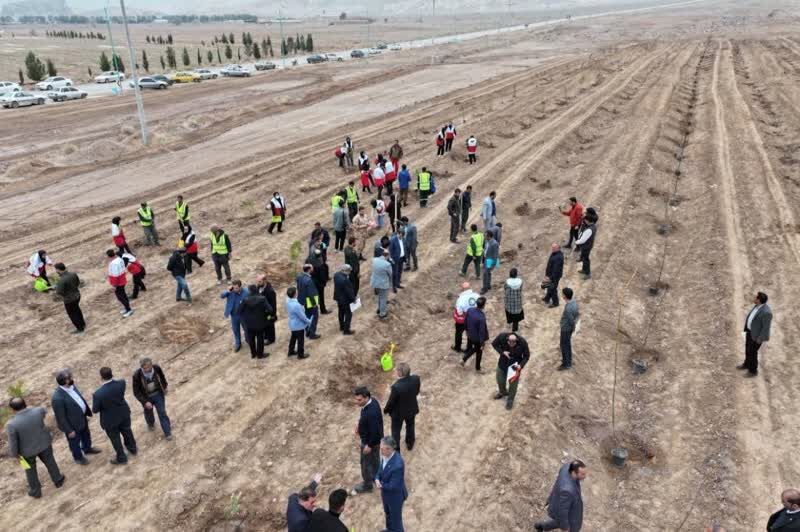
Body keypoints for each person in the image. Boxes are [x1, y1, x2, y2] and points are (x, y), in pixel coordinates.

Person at [5, 398, 65, 498]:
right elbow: (45, 414)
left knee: (30, 471)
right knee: (50, 462)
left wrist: (15, 455)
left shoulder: (11, 424)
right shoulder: (38, 411)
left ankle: (35, 491)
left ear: (12, 409)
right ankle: (58, 480)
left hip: (26, 453)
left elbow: (13, 442)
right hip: (44, 444)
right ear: (25, 403)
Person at [51, 369, 100, 465]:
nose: (72, 379)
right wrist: (69, 430)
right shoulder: (57, 398)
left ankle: (87, 449)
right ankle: (78, 457)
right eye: (69, 378)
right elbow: (60, 417)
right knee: (74, 443)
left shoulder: (72, 386)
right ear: (65, 381)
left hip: (82, 418)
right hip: (72, 425)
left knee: (86, 435)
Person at [92, 367, 137, 465]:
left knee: (115, 439)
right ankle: (133, 448)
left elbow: (95, 410)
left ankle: (122, 457)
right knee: (127, 431)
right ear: (112, 374)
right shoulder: (121, 383)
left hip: (110, 420)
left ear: (101, 377)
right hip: (123, 414)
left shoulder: (98, 394)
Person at [534, 460, 587, 532]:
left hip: (560, 502)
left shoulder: (566, 467)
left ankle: (541, 526)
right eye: (583, 474)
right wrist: (565, 528)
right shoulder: (568, 491)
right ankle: (541, 526)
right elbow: (563, 512)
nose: (585, 476)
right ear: (574, 473)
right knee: (566, 522)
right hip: (569, 512)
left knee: (559, 521)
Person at [353, 386, 384, 494]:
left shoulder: (371, 413)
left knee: (365, 464)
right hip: (375, 441)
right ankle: (377, 477)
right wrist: (360, 424)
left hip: (370, 442)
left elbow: (375, 431)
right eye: (356, 399)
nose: (357, 402)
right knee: (375, 460)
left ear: (366, 398)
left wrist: (368, 446)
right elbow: (365, 418)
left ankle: (367, 485)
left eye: (359, 400)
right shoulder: (372, 402)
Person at [132, 358, 172, 440]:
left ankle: (167, 431)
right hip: (146, 397)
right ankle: (150, 423)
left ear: (151, 365)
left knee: (162, 412)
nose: (147, 369)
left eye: (148, 367)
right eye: (144, 368)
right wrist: (145, 402)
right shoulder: (137, 375)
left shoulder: (156, 368)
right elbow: (136, 392)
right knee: (148, 412)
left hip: (158, 395)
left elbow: (162, 377)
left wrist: (165, 387)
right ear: (141, 367)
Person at [384, 363, 420, 452]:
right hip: (411, 408)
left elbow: (391, 402)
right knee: (410, 426)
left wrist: (386, 410)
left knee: (395, 432)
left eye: (397, 370)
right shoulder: (416, 379)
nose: (396, 372)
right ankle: (410, 443)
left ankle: (396, 451)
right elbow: (416, 391)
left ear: (400, 373)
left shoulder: (396, 387)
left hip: (398, 414)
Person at [375, 436, 408, 532]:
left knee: (396, 521)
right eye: (380, 448)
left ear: (389, 449)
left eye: (382, 449)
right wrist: (377, 477)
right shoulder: (385, 455)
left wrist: (380, 484)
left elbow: (394, 485)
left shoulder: (397, 465)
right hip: (386, 495)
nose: (380, 451)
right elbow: (381, 469)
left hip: (395, 498)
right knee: (388, 514)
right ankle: (390, 529)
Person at [491, 333, 530, 410]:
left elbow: (526, 356)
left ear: (516, 341)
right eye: (509, 343)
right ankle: (502, 392)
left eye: (513, 343)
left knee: (513, 384)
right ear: (507, 340)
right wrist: (502, 352)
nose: (511, 345)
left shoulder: (522, 342)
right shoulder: (502, 337)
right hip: (503, 363)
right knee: (500, 380)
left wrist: (521, 365)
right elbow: (494, 344)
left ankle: (510, 399)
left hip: (514, 366)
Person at [738, 291, 772, 377]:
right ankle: (746, 364)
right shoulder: (756, 306)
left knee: (753, 352)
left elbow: (766, 328)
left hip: (756, 337)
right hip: (749, 332)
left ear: (759, 300)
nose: (754, 298)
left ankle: (753, 371)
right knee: (747, 349)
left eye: (756, 297)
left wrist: (760, 339)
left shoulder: (767, 312)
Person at [238, 284, 273, 359]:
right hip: (260, 322)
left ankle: (253, 354)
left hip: (249, 324)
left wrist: (246, 316)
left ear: (250, 291)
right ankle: (260, 354)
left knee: (251, 339)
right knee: (260, 338)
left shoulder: (245, 300)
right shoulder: (262, 299)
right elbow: (270, 310)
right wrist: (265, 314)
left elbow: (239, 311)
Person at [53, 263, 85, 333]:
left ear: (58, 269)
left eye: (56, 269)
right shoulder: (73, 274)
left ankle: (80, 328)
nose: (56, 271)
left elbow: (59, 292)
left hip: (69, 299)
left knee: (72, 314)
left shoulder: (61, 280)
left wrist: (57, 287)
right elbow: (77, 283)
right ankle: (83, 324)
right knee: (77, 310)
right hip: (77, 295)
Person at [461, 296, 488, 371]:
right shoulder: (481, 317)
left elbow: (465, 321)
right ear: (483, 305)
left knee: (474, 348)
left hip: (469, 334)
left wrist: (466, 330)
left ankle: (464, 359)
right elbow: (482, 331)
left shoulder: (470, 310)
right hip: (477, 338)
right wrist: (482, 343)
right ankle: (478, 368)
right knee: (479, 351)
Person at [221, 280, 249, 352]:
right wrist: (228, 291)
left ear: (240, 287)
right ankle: (238, 343)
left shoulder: (246, 292)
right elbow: (222, 296)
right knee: (236, 330)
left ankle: (248, 339)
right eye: (234, 288)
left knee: (246, 328)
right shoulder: (231, 292)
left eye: (236, 288)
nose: (235, 289)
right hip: (234, 315)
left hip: (243, 314)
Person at [452, 282, 479, 352]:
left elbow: (459, 311)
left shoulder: (461, 299)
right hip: (473, 318)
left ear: (462, 289)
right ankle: (469, 348)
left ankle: (457, 347)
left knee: (459, 333)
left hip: (463, 319)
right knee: (470, 333)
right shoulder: (477, 295)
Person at [286, 286, 312, 359]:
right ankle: (301, 355)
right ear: (294, 294)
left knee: (293, 338)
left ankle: (290, 352)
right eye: (296, 292)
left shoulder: (288, 302)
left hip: (292, 324)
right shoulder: (296, 305)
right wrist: (309, 321)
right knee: (300, 340)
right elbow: (302, 317)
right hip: (298, 325)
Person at [297, 264, 321, 339]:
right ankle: (312, 334)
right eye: (312, 268)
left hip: (302, 300)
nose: (313, 269)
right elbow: (311, 293)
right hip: (310, 301)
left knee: (307, 316)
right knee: (314, 317)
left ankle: (307, 330)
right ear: (309, 270)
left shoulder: (299, 277)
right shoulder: (309, 280)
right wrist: (315, 303)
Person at [107, 249, 133, 318]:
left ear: (108, 256)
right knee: (123, 294)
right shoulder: (119, 259)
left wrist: (114, 285)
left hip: (118, 282)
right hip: (122, 280)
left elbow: (115, 275)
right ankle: (127, 307)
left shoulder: (113, 263)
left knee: (120, 297)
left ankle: (129, 309)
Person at [559, 287, 580, 370]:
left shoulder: (568, 308)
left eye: (562, 294)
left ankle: (566, 363)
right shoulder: (574, 302)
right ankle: (569, 360)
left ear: (565, 296)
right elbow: (577, 314)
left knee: (564, 346)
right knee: (567, 344)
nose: (562, 295)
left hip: (566, 329)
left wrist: (573, 327)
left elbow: (571, 321)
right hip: (569, 329)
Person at [333, 264, 356, 335]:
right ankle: (346, 330)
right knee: (348, 314)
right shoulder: (345, 280)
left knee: (341, 312)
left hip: (338, 298)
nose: (350, 272)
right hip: (345, 300)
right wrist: (353, 299)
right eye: (349, 271)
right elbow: (349, 292)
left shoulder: (336, 275)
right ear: (346, 271)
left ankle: (342, 326)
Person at [574, 208, 597, 279]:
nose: (584, 220)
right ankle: (584, 269)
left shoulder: (589, 230)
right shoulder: (593, 226)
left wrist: (576, 242)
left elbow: (582, 240)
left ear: (588, 220)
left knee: (586, 259)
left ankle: (587, 273)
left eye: (585, 220)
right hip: (588, 245)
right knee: (584, 258)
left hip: (586, 246)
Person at [307, 246, 331, 315]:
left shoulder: (310, 260)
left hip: (312, 282)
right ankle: (322, 310)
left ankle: (311, 312)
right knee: (321, 296)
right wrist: (324, 282)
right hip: (319, 283)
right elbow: (323, 276)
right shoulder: (322, 265)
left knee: (312, 296)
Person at [256, 275, 278, 345]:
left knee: (270, 325)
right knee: (265, 325)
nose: (258, 283)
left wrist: (273, 315)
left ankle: (271, 339)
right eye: (258, 281)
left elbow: (273, 304)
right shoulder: (259, 287)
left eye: (260, 281)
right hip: (262, 312)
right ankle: (266, 336)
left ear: (265, 281)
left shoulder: (270, 291)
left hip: (268, 312)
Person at [371, 250, 393, 320]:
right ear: (387, 255)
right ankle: (382, 314)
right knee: (383, 298)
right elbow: (390, 274)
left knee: (379, 297)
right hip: (383, 284)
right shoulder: (387, 264)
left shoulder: (374, 260)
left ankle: (379, 309)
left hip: (375, 282)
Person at [543, 243, 564, 308]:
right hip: (550, 275)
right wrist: (547, 275)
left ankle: (555, 303)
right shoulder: (554, 253)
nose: (552, 249)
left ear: (558, 248)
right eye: (552, 248)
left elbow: (556, 269)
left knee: (553, 289)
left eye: (554, 248)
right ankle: (547, 298)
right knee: (549, 287)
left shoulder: (558, 257)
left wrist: (550, 277)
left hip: (554, 276)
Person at [504, 268, 525, 332]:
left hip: (509, 301)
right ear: (516, 274)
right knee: (516, 315)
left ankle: (510, 321)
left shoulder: (507, 282)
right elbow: (521, 289)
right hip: (517, 301)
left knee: (509, 312)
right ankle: (515, 329)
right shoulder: (520, 281)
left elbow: (505, 289)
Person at [482, 230, 499, 295]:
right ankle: (488, 285)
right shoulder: (487, 241)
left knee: (485, 274)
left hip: (490, 261)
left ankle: (484, 288)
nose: (484, 237)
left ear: (489, 236)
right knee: (488, 273)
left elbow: (495, 255)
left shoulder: (494, 244)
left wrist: (493, 265)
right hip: (486, 259)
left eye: (485, 236)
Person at [389, 227, 406, 292]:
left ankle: (398, 283)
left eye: (402, 236)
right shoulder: (393, 240)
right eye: (400, 235)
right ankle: (394, 287)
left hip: (401, 258)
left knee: (400, 271)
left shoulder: (403, 239)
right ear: (398, 233)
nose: (401, 237)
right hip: (395, 260)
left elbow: (403, 247)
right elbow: (390, 251)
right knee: (394, 273)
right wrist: (391, 259)